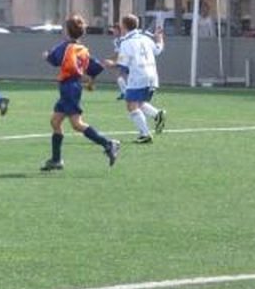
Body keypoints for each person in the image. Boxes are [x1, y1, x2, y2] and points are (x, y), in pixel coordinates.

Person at [40, 14, 121, 171]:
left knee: (77, 124)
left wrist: (46, 56)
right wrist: (91, 81)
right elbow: (95, 67)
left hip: (69, 88)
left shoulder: (65, 46)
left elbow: (54, 59)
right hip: (73, 87)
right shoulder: (82, 49)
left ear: (67, 31)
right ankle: (56, 160)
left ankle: (109, 144)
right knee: (55, 122)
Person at [104, 13, 166, 144]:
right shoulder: (146, 39)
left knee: (131, 105)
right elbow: (158, 50)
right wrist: (159, 38)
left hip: (138, 76)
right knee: (139, 103)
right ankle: (157, 114)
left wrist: (111, 64)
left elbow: (123, 64)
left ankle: (145, 134)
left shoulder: (126, 42)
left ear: (124, 26)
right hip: (152, 75)